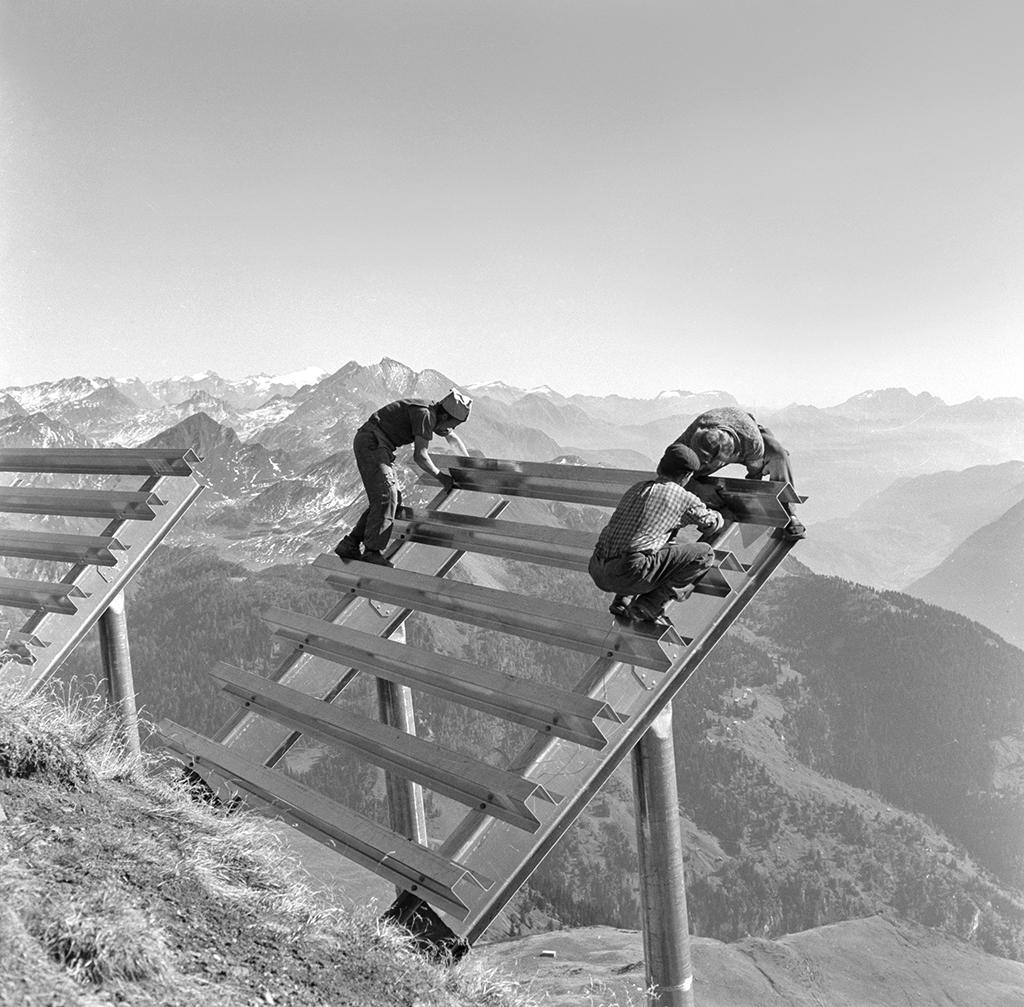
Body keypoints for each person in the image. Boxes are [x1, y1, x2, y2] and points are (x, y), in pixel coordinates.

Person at [588, 443, 725, 627]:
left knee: (651, 541)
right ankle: (650, 604)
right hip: (629, 573)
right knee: (704, 554)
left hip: (597, 568)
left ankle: (622, 601)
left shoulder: (637, 488)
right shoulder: (683, 497)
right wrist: (719, 514)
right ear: (686, 476)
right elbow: (711, 524)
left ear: (660, 466)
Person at [334, 389, 472, 565]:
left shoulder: (434, 412)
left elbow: (452, 439)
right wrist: (441, 477)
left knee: (391, 499)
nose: (451, 429)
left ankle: (350, 543)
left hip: (374, 442)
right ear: (445, 417)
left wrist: (468, 463)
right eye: (453, 424)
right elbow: (420, 456)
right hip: (373, 443)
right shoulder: (425, 415)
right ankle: (371, 552)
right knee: (386, 496)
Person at [673, 406, 805, 539]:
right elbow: (669, 477)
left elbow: (755, 474)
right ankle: (675, 533)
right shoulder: (686, 443)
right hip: (709, 441)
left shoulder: (752, 441)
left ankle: (789, 513)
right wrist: (698, 488)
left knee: (778, 456)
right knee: (682, 481)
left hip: (745, 431)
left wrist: (752, 509)